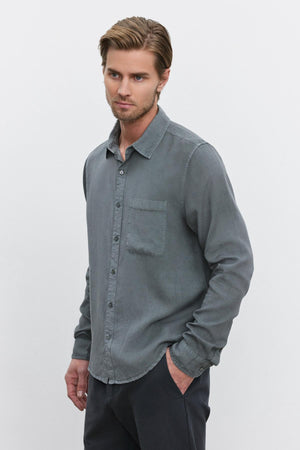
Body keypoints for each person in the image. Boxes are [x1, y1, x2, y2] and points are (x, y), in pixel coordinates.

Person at [64, 16, 254, 450]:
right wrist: (83, 348)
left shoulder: (194, 160)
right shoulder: (96, 165)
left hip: (164, 382)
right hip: (103, 377)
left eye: (138, 76)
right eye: (114, 74)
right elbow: (103, 267)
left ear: (163, 78)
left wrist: (186, 362)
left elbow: (235, 263)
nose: (123, 89)